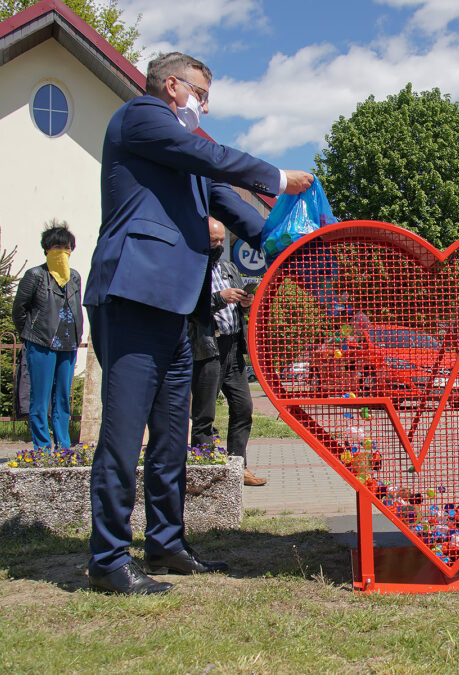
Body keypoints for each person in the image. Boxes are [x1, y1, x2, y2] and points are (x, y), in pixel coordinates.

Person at [83, 52, 314, 595]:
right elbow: (206, 152)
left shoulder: (186, 161)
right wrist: (278, 178)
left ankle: (165, 543)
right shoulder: (141, 117)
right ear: (172, 86)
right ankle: (108, 558)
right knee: (123, 433)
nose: (204, 106)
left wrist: (293, 251)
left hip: (179, 309)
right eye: (201, 95)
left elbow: (235, 210)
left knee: (172, 433)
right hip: (134, 294)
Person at [190, 218, 264, 487]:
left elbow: (241, 309)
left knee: (244, 407)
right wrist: (220, 297)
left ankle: (238, 466)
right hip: (207, 347)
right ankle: (204, 470)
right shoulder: (191, 268)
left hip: (233, 347)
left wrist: (246, 302)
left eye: (222, 240)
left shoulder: (229, 268)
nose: (219, 245)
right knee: (204, 415)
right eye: (213, 240)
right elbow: (189, 307)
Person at [12, 222, 83, 451]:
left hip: (68, 343)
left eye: (66, 247)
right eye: (56, 247)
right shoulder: (35, 275)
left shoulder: (74, 277)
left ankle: (63, 446)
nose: (62, 252)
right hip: (41, 343)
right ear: (46, 249)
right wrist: (31, 334)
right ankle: (42, 447)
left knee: (62, 398)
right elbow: (19, 309)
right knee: (40, 398)